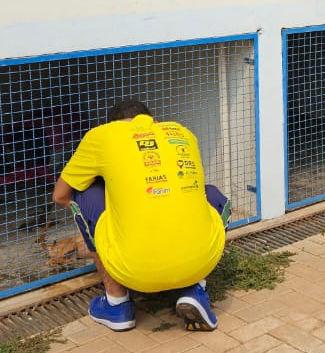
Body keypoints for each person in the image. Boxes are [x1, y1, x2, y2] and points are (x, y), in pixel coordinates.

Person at [52, 99, 231, 331]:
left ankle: (117, 304)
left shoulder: (101, 136)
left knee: (82, 193)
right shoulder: (181, 132)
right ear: (153, 121)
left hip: (134, 271)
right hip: (202, 261)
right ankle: (196, 288)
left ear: (113, 125)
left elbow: (60, 195)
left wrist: (109, 217)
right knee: (211, 194)